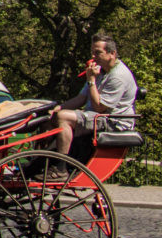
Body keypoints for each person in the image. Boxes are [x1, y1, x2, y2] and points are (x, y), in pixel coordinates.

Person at [50, 34, 137, 168]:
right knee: (51, 116)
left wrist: (91, 81)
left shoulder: (118, 76)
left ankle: (61, 168)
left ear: (112, 53)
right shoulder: (100, 71)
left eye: (98, 53)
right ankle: (40, 163)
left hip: (112, 121)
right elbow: (81, 99)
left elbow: (99, 107)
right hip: (97, 117)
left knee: (63, 118)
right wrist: (56, 109)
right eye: (93, 53)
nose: (93, 57)